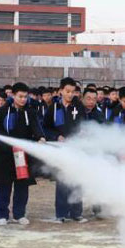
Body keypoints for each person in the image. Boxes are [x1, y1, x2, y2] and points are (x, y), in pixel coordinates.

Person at [0, 82, 45, 226]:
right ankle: (2, 214)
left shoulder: (30, 111)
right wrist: (7, 142)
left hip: (23, 155)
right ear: (13, 95)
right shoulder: (3, 111)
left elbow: (36, 127)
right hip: (5, 154)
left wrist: (40, 137)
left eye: (25, 97)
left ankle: (19, 213)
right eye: (20, 96)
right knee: (4, 185)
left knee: (22, 185)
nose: (23, 99)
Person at [43, 77, 87, 223]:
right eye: (67, 91)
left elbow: (84, 126)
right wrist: (57, 136)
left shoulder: (79, 107)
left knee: (76, 179)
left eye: (72, 92)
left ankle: (76, 213)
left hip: (76, 149)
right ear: (60, 91)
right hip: (60, 149)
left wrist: (80, 135)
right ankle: (61, 213)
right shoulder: (53, 108)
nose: (70, 94)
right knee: (62, 180)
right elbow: (46, 127)